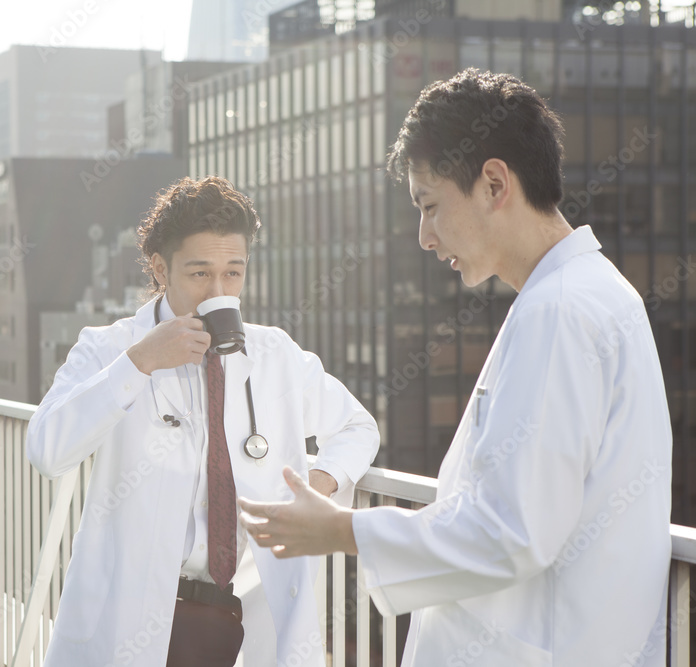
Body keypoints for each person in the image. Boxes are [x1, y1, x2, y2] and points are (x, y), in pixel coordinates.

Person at [239, 68, 673, 666]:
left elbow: (511, 531)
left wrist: (341, 530)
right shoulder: (591, 293)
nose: (424, 236)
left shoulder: (559, 312)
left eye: (431, 206)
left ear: (494, 182)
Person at [25, 175, 380, 667]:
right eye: (199, 274)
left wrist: (317, 485)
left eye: (233, 273)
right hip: (134, 616)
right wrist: (139, 362)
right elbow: (47, 449)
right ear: (160, 268)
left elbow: (358, 428)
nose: (219, 291)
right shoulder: (109, 348)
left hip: (248, 612)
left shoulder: (273, 353)